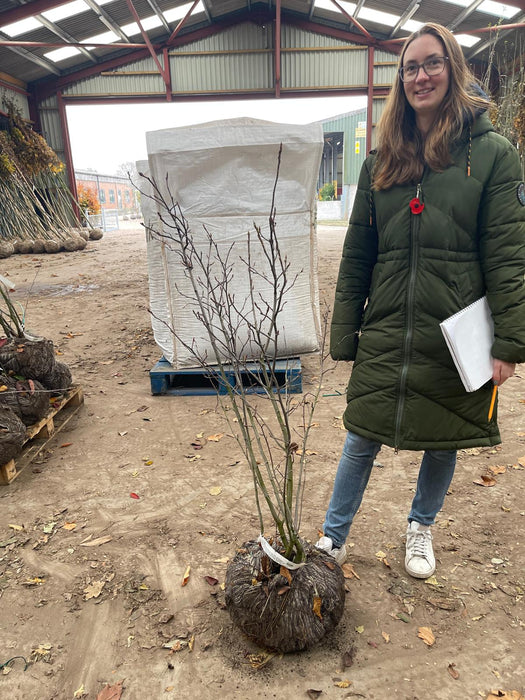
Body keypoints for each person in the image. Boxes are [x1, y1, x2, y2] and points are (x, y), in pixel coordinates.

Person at [316, 22, 525, 579]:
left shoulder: (493, 156)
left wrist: (507, 343)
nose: (420, 75)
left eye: (432, 63)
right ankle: (332, 538)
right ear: (400, 80)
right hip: (388, 320)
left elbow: (508, 255)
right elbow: (358, 252)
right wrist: (345, 329)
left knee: (443, 436)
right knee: (361, 433)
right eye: (410, 67)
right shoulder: (382, 158)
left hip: (456, 324)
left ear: (453, 71)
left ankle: (420, 527)